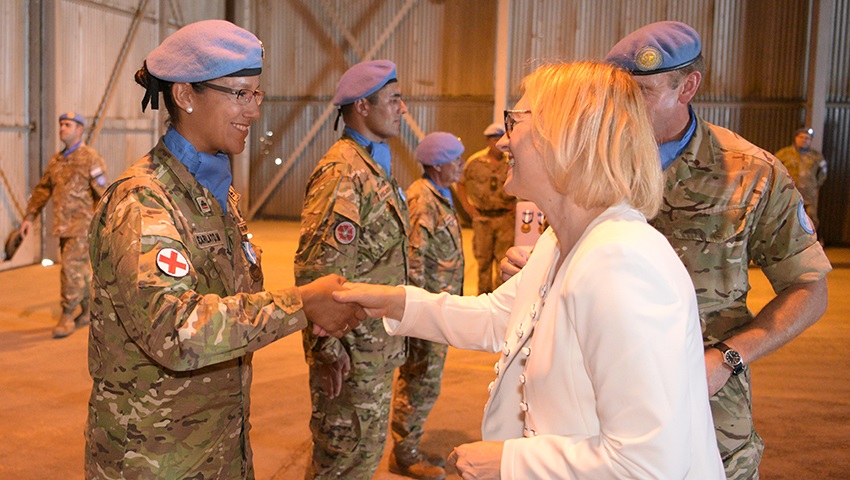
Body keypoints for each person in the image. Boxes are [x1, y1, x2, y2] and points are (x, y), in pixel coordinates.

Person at [335, 61, 725, 479]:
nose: (503, 142)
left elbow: (650, 464)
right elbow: (499, 318)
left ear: (567, 138)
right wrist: (392, 302)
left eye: (514, 122)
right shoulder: (561, 241)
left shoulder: (623, 265)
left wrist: (508, 461)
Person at [503, 21, 832, 479]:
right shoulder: (583, 159)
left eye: (641, 93)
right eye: (616, 94)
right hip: (587, 414)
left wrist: (729, 356)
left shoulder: (750, 174)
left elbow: (809, 288)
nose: (623, 109)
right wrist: (535, 277)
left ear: (687, 87)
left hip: (708, 413)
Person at [84, 20, 362, 479]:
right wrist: (301, 304)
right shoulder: (144, 201)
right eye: (239, 94)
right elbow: (177, 330)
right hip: (155, 463)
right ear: (185, 95)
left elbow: (233, 303)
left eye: (256, 94)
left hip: (220, 450)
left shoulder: (214, 194)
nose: (253, 111)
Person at [293, 59, 412, 479]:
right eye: (393, 100)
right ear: (362, 106)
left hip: (372, 350)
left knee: (361, 458)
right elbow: (317, 271)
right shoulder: (343, 171)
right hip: (350, 356)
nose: (401, 108)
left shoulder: (372, 166)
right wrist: (326, 350)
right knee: (344, 463)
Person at [390, 132, 466, 480]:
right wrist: (418, 314)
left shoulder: (441, 194)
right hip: (428, 310)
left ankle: (409, 447)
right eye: (456, 160)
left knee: (424, 381)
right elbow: (414, 259)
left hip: (439, 307)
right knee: (420, 382)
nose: (461, 165)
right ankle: (405, 455)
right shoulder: (423, 200)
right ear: (437, 165)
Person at [19, 111, 107, 338]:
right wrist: (29, 218)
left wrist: (106, 226)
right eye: (61, 124)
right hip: (63, 226)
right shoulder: (56, 161)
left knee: (70, 270)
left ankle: (67, 316)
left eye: (68, 125)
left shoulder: (90, 158)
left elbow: (103, 194)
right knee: (80, 272)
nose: (62, 128)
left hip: (82, 226)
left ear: (80, 129)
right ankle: (88, 311)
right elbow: (42, 190)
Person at [454, 122, 516, 294]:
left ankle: (499, 297)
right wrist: (467, 206)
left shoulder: (511, 161)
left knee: (503, 262)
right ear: (488, 141)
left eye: (500, 139)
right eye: (494, 139)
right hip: (483, 219)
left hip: (505, 219)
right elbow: (461, 183)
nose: (497, 143)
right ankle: (483, 295)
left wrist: (518, 205)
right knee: (483, 261)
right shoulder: (475, 162)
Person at [774, 128, 828, 231]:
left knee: (810, 219)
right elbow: (775, 169)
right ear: (795, 138)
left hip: (809, 195)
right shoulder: (783, 153)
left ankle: (809, 239)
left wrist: (815, 185)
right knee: (785, 218)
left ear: (810, 141)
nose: (804, 140)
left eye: (807, 138)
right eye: (801, 137)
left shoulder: (817, 156)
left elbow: (823, 173)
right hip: (788, 194)